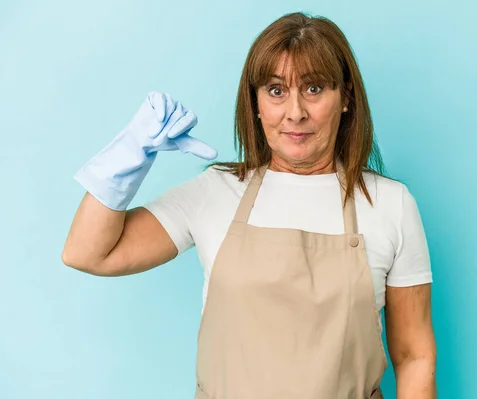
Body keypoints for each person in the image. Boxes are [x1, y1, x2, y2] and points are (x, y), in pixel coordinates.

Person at [62, 11, 436, 399]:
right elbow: (88, 253)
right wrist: (123, 162)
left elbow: (414, 357)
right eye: (276, 90)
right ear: (255, 104)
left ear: (345, 99)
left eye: (314, 88)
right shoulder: (216, 192)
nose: (295, 112)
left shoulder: (390, 204)